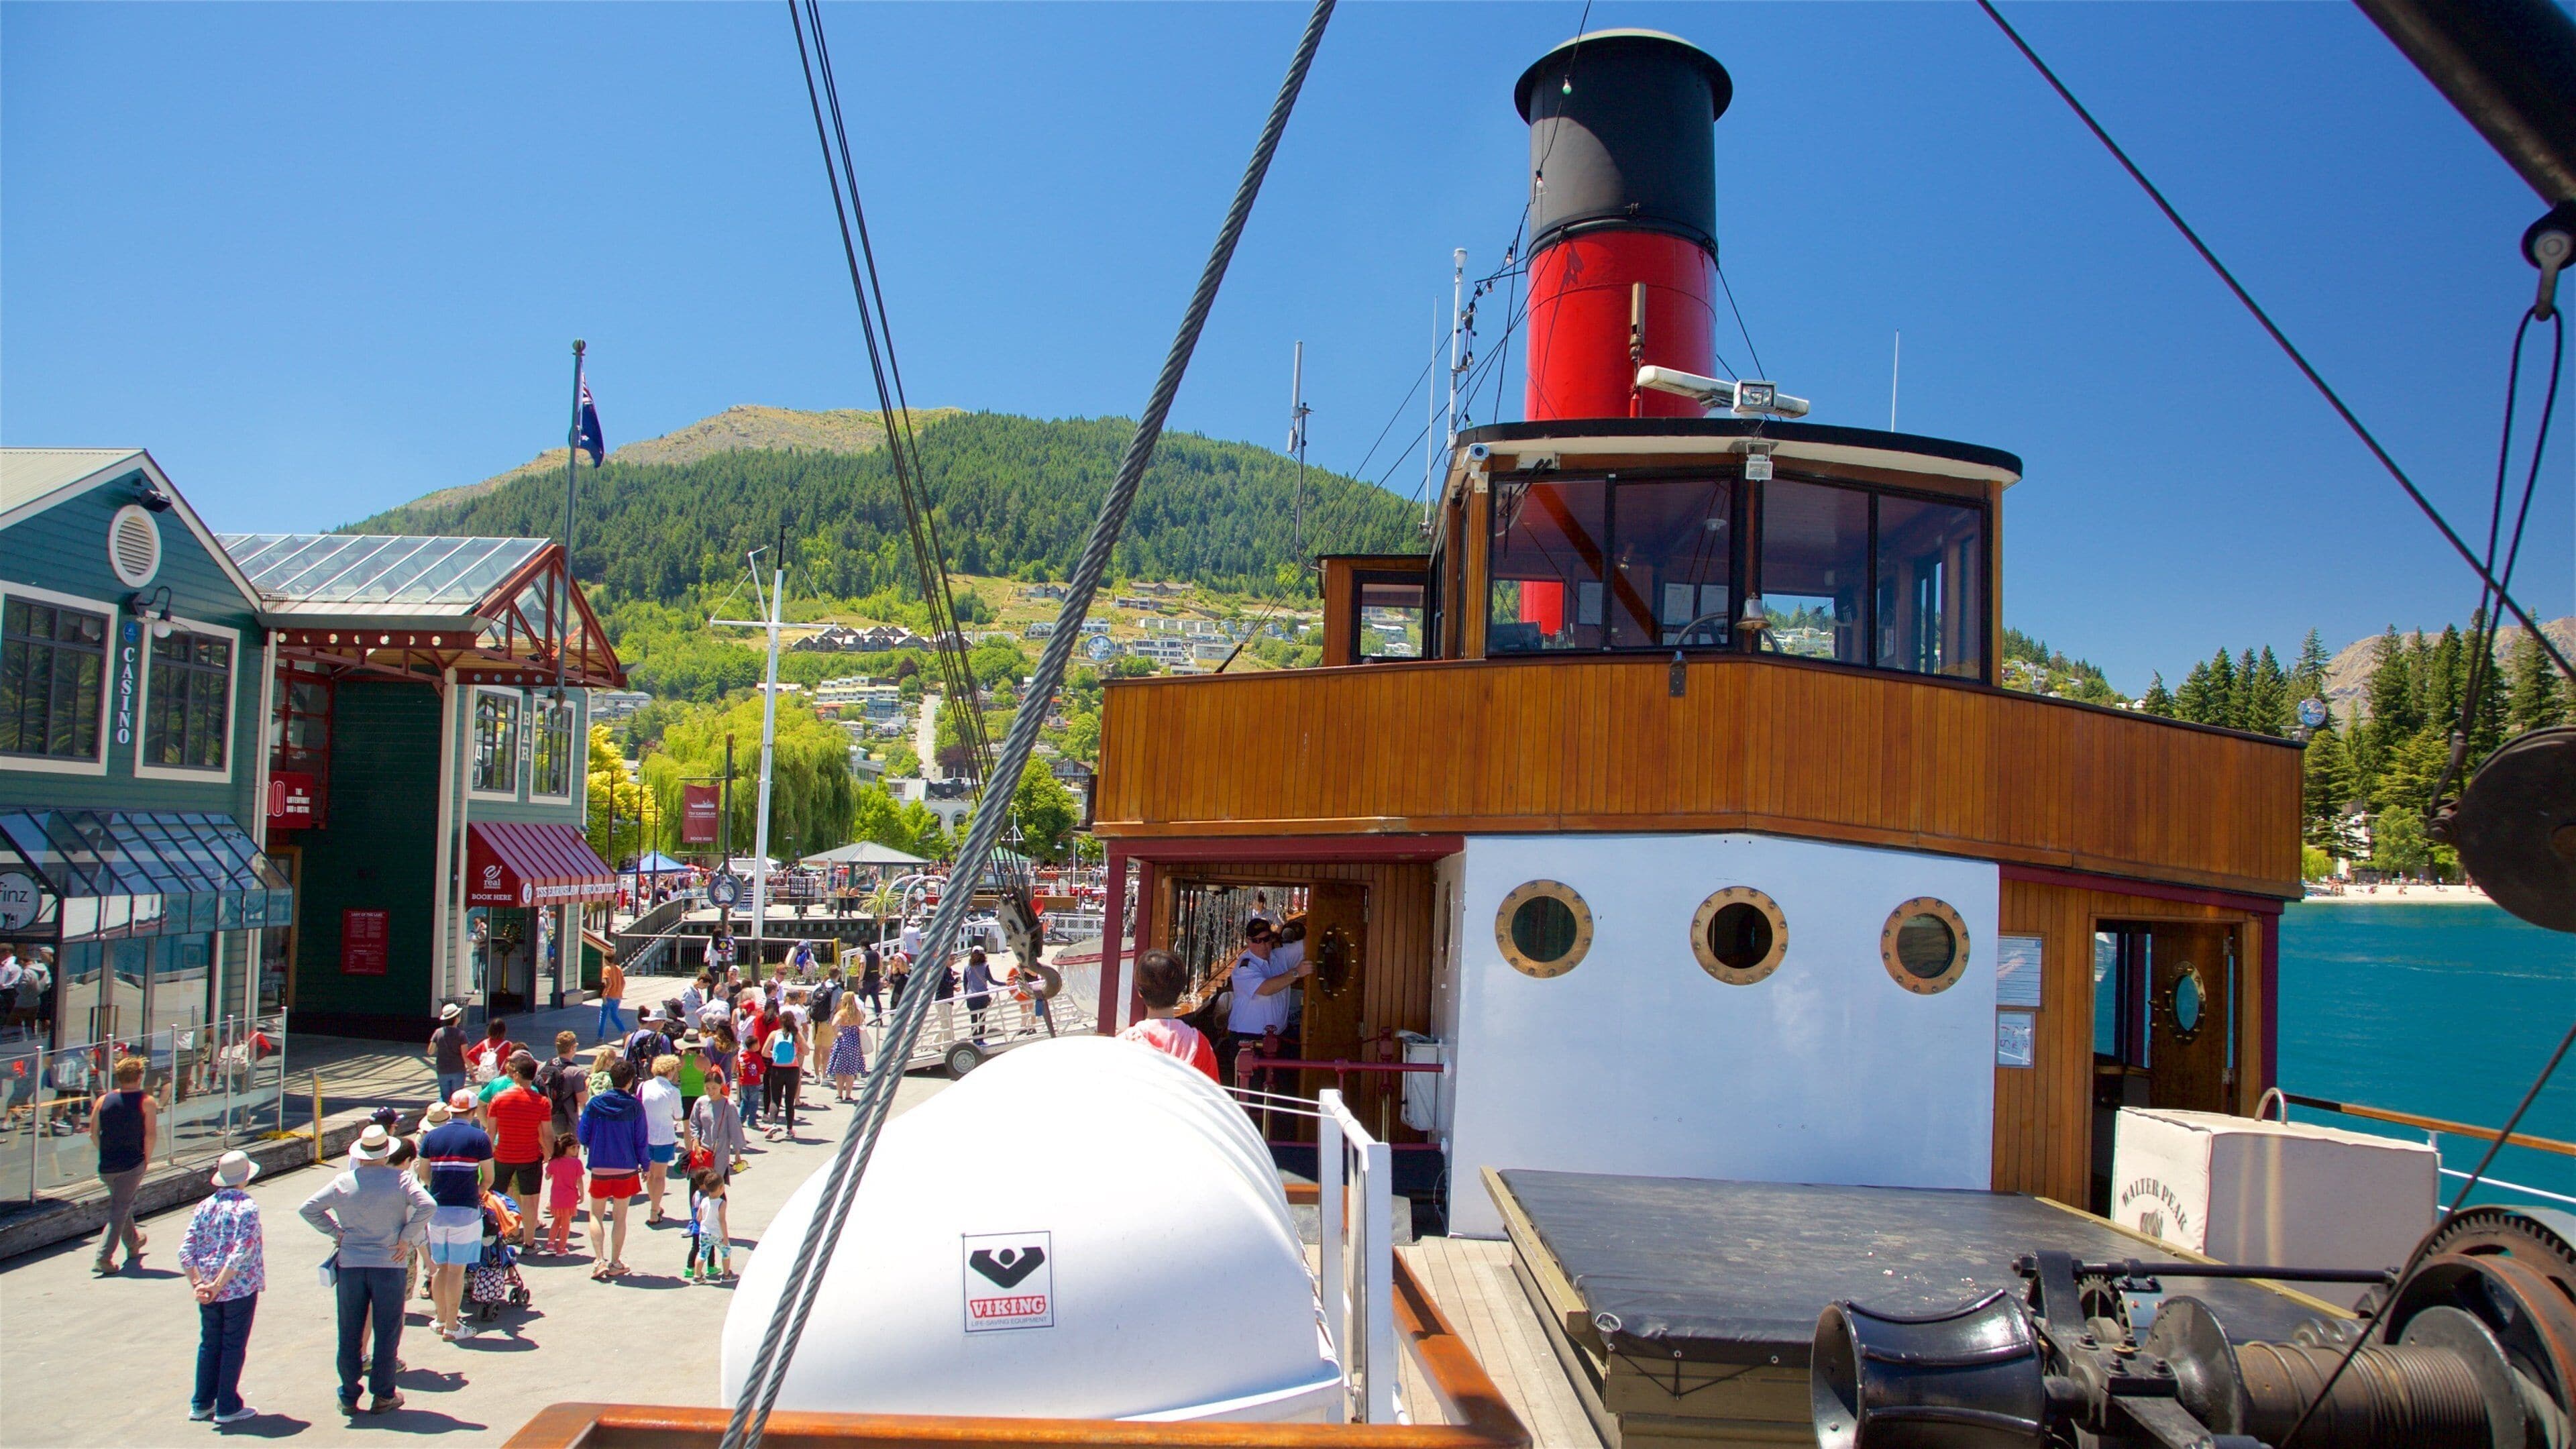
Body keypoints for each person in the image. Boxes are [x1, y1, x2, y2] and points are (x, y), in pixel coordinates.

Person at [301, 1123, 434, 1414]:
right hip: (389, 1263)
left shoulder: (344, 1181)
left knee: (349, 1330)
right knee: (387, 1331)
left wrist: (336, 1232)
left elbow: (308, 1208)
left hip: (351, 1263)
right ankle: (383, 1394)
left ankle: (349, 1395)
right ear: (386, 1153)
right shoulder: (401, 1180)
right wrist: (405, 1236)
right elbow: (428, 1205)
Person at [182, 1150, 267, 1424]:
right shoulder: (247, 1207)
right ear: (245, 1177)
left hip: (207, 1288)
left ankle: (201, 1402)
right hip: (238, 1288)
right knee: (233, 1345)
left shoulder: (205, 1206)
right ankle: (227, 1405)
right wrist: (219, 1284)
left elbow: (186, 1250)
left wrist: (199, 1284)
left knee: (210, 1343)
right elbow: (241, 1251)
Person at [418, 1087, 493, 1340]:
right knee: (456, 1271)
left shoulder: (431, 1137)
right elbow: (488, 1178)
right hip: (465, 1212)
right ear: (472, 1112)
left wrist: (437, 1190)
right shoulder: (479, 1138)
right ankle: (452, 1326)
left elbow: (424, 1174)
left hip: (437, 1211)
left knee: (440, 1269)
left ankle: (440, 1319)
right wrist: (476, 1192)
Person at [578, 1059, 649, 1279]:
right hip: (626, 1167)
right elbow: (641, 1140)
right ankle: (615, 1261)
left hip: (600, 1165)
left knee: (596, 1214)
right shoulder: (635, 1106)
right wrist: (646, 1165)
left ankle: (598, 1260)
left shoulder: (595, 1104)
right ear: (630, 1081)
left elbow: (583, 1135)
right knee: (620, 1217)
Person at [89, 1055, 157, 1275]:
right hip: (131, 1163)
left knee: (122, 1204)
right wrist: (146, 1160)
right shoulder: (146, 1101)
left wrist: (105, 1151)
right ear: (140, 1076)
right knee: (119, 1209)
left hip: (107, 1164)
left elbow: (93, 1133)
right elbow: (150, 1135)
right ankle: (103, 1257)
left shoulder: (103, 1100)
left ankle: (134, 1242)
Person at [1225, 921, 1310, 1086]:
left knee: (1280, 1089)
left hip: (1279, 1038)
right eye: (1256, 941)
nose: (1262, 945)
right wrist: (1296, 973)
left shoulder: (1280, 956)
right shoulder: (1244, 967)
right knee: (1252, 1094)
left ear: (1272, 939)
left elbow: (1307, 945)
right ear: (1248, 942)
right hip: (1248, 1041)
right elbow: (1266, 989)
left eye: (1266, 939)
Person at [484, 1054, 551, 1252]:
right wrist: (551, 1154)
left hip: (503, 1156)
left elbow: (490, 1132)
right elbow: (547, 1134)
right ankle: (529, 1243)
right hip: (530, 1157)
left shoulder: (498, 1099)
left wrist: (485, 1157)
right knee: (530, 1201)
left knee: (497, 1199)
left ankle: (499, 1239)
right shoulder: (541, 1102)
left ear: (517, 1075)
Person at [1120, 949, 1221, 1081]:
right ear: (1180, 991)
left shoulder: (1123, 1044)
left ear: (1140, 992)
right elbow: (1213, 1091)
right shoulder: (1199, 1044)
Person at [639, 1055, 686, 1225]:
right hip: (664, 1137)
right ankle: (654, 1210)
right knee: (659, 1176)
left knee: (650, 1175)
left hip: (644, 1137)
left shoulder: (643, 1086)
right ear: (671, 1071)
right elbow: (679, 1115)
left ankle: (656, 1206)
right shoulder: (673, 1091)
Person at [690, 1074, 748, 1179]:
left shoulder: (729, 1105)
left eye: (714, 1088)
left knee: (715, 1182)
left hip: (720, 1151)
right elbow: (694, 1123)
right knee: (699, 1182)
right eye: (707, 1088)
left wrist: (737, 1154)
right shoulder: (701, 1102)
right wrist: (696, 1143)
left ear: (721, 1086)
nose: (710, 1091)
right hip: (702, 1151)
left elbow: (735, 1129)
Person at [538, 1030, 588, 1150]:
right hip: (567, 1122)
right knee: (568, 1156)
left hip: (545, 1119)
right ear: (573, 1048)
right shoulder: (576, 1072)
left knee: (549, 1154)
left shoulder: (543, 1066)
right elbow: (582, 1100)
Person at [682, 1167, 732, 1281]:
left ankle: (697, 1276)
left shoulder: (704, 1200)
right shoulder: (721, 1203)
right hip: (716, 1233)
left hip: (704, 1232)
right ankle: (726, 1275)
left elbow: (699, 1217)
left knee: (702, 1253)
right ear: (721, 1188)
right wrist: (725, 1237)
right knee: (726, 1251)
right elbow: (722, 1221)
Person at [761, 1009, 803, 1141]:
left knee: (775, 1099)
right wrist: (796, 1052)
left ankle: (773, 1124)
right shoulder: (796, 1035)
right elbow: (807, 1051)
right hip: (793, 1069)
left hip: (777, 1069)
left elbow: (764, 1052)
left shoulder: (775, 1034)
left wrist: (775, 1055)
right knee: (789, 1100)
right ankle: (789, 1129)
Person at [542, 1131, 583, 1253]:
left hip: (556, 1197)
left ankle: (550, 1243)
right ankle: (561, 1248)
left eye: (578, 1147)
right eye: (573, 1147)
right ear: (566, 1148)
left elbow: (547, 1177)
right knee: (566, 1224)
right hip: (569, 1197)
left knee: (557, 1220)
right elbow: (579, 1181)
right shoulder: (576, 1163)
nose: (576, 1150)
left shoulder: (554, 1162)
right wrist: (582, 1195)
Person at [825, 992, 867, 1102]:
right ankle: (848, 1095)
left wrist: (837, 1033)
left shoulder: (842, 1013)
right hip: (855, 1042)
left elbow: (833, 1024)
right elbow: (862, 1022)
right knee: (851, 1071)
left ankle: (839, 1095)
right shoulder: (859, 1012)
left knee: (840, 1071)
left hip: (843, 1041)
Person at [427, 1003, 469, 1103]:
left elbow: (430, 1052)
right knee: (457, 1098)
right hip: (458, 1070)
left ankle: (440, 1111)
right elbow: (465, 1056)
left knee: (444, 1096)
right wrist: (471, 1071)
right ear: (457, 1018)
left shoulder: (438, 1032)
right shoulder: (461, 1034)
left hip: (442, 1070)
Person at [463, 1017, 513, 1085]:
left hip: (486, 1076)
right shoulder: (508, 1045)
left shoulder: (484, 1043)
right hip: (501, 1077)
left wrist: (481, 1064)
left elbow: (470, 1054)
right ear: (504, 1031)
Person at [963, 949, 994, 1044]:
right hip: (982, 996)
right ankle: (981, 1040)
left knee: (974, 1020)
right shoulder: (985, 966)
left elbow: (965, 983)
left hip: (971, 996)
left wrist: (967, 995)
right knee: (982, 1019)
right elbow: (992, 981)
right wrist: (1005, 983)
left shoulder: (967, 967)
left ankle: (975, 1040)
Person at [676, 1032, 708, 1123]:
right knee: (700, 1124)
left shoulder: (679, 1060)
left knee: (687, 1125)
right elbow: (709, 1078)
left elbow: (675, 1079)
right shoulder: (704, 1060)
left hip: (684, 1094)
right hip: (700, 1093)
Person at [596, 949, 627, 1042]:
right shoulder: (618, 968)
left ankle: (600, 1037)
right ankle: (624, 1033)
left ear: (606, 960)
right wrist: (619, 992)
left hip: (609, 996)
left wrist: (604, 995)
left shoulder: (606, 969)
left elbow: (609, 983)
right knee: (614, 1016)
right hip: (618, 996)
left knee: (603, 1016)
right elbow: (623, 983)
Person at [858, 944, 883, 1013]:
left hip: (866, 980)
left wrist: (860, 980)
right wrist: (877, 973)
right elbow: (881, 965)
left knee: (861, 1000)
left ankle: (861, 1016)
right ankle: (879, 1016)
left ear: (863, 946)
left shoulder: (864, 955)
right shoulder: (877, 953)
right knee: (876, 999)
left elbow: (862, 967)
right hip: (875, 979)